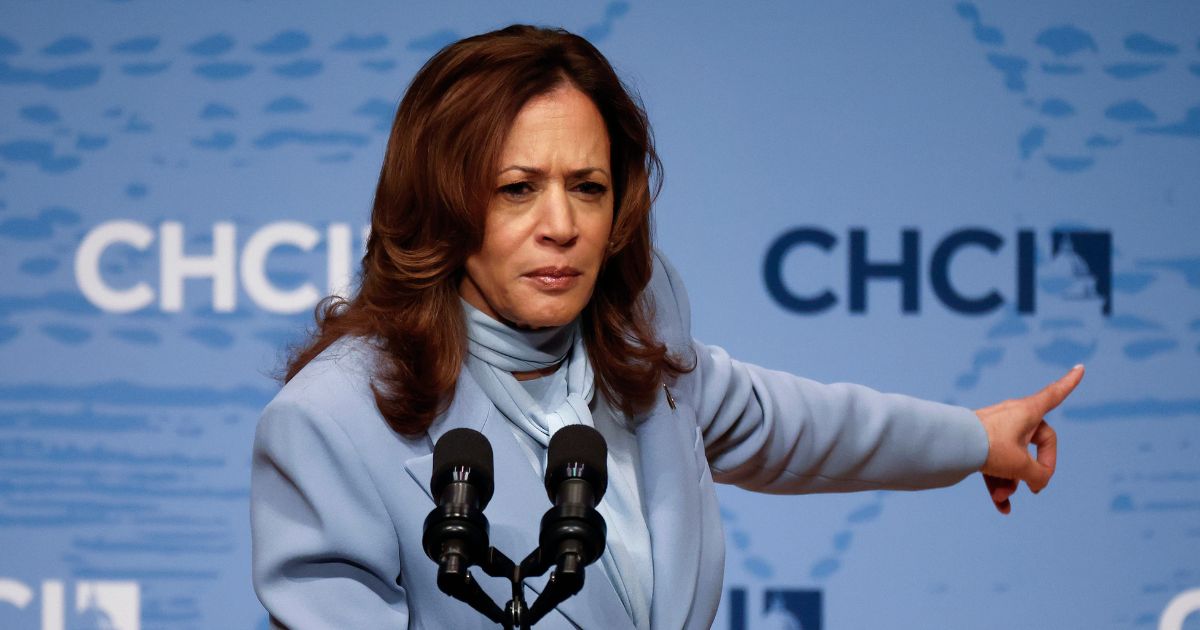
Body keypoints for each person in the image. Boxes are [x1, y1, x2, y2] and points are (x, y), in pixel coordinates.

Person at [250, 24, 1083, 629]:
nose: (561, 225)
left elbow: (798, 426)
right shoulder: (331, 423)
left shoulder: (641, 348)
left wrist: (977, 437)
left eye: (587, 185)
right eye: (516, 188)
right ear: (440, 202)